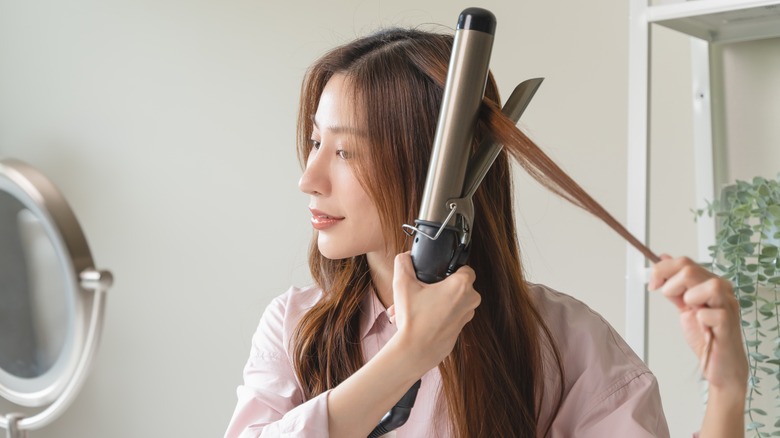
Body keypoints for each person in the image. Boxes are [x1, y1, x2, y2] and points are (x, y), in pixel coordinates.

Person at [224, 27, 747, 438]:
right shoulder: (295, 328)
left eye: (344, 151)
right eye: (315, 142)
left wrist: (727, 390)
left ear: (438, 168)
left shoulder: (564, 343)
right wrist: (408, 355)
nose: (307, 179)